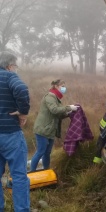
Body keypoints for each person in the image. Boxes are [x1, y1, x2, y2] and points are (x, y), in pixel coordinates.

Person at [0, 51, 30, 211]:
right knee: (18, 176)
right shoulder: (9, 76)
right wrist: (23, 112)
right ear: (10, 65)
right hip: (10, 134)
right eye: (15, 66)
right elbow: (22, 88)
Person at [31, 79, 79, 171]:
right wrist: (69, 107)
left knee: (47, 153)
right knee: (40, 152)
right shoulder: (50, 97)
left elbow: (58, 115)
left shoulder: (57, 99)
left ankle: (46, 171)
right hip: (43, 129)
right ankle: (31, 173)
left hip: (51, 130)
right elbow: (54, 110)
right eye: (62, 86)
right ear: (56, 86)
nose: (64, 88)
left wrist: (69, 113)